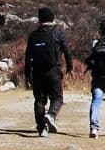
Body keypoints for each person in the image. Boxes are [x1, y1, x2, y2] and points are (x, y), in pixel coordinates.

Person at [22, 7, 74, 137]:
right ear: (52, 18)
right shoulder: (58, 33)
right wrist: (70, 67)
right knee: (57, 97)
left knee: (39, 100)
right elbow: (67, 51)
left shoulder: (34, 35)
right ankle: (51, 115)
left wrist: (27, 74)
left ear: (40, 20)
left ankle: (42, 128)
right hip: (54, 70)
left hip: (37, 72)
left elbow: (28, 56)